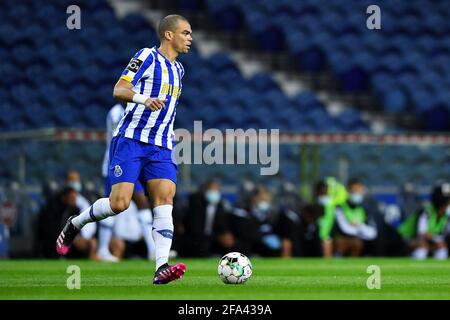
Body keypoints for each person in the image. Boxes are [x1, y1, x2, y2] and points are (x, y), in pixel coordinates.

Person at [56, 14, 193, 284]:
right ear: (169, 35)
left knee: (165, 200)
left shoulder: (179, 70)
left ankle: (161, 267)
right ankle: (77, 223)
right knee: (119, 203)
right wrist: (144, 99)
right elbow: (119, 89)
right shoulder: (146, 57)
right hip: (131, 140)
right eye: (186, 33)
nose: (190, 38)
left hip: (161, 145)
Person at [96, 102, 155, 262]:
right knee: (112, 205)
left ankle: (152, 250)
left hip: (130, 163)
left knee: (142, 202)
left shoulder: (134, 108)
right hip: (116, 163)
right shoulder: (116, 112)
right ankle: (102, 249)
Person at [180, 179, 235, 257]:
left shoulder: (220, 206)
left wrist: (226, 234)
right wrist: (217, 237)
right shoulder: (195, 204)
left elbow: (222, 224)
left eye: (216, 190)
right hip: (196, 238)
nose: (214, 192)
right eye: (211, 190)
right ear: (204, 191)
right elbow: (194, 228)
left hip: (212, 238)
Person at [398, 182, 450, 259]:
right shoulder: (426, 211)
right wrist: (437, 241)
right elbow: (422, 233)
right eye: (448, 201)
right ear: (441, 202)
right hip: (403, 239)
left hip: (427, 241)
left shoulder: (446, 216)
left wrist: (439, 242)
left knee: (442, 249)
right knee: (422, 249)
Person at [231, 185, 282, 256]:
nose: (265, 203)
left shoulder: (269, 215)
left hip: (263, 249)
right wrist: (262, 238)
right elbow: (243, 232)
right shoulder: (242, 212)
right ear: (254, 198)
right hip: (245, 249)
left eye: (267, 200)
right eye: (263, 199)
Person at [333, 178, 377, 257]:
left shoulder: (366, 209)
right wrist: (360, 230)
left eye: (359, 190)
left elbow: (372, 232)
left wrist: (359, 226)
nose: (356, 193)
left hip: (362, 240)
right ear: (348, 191)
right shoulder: (340, 207)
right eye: (354, 190)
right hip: (345, 239)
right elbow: (345, 229)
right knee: (349, 242)